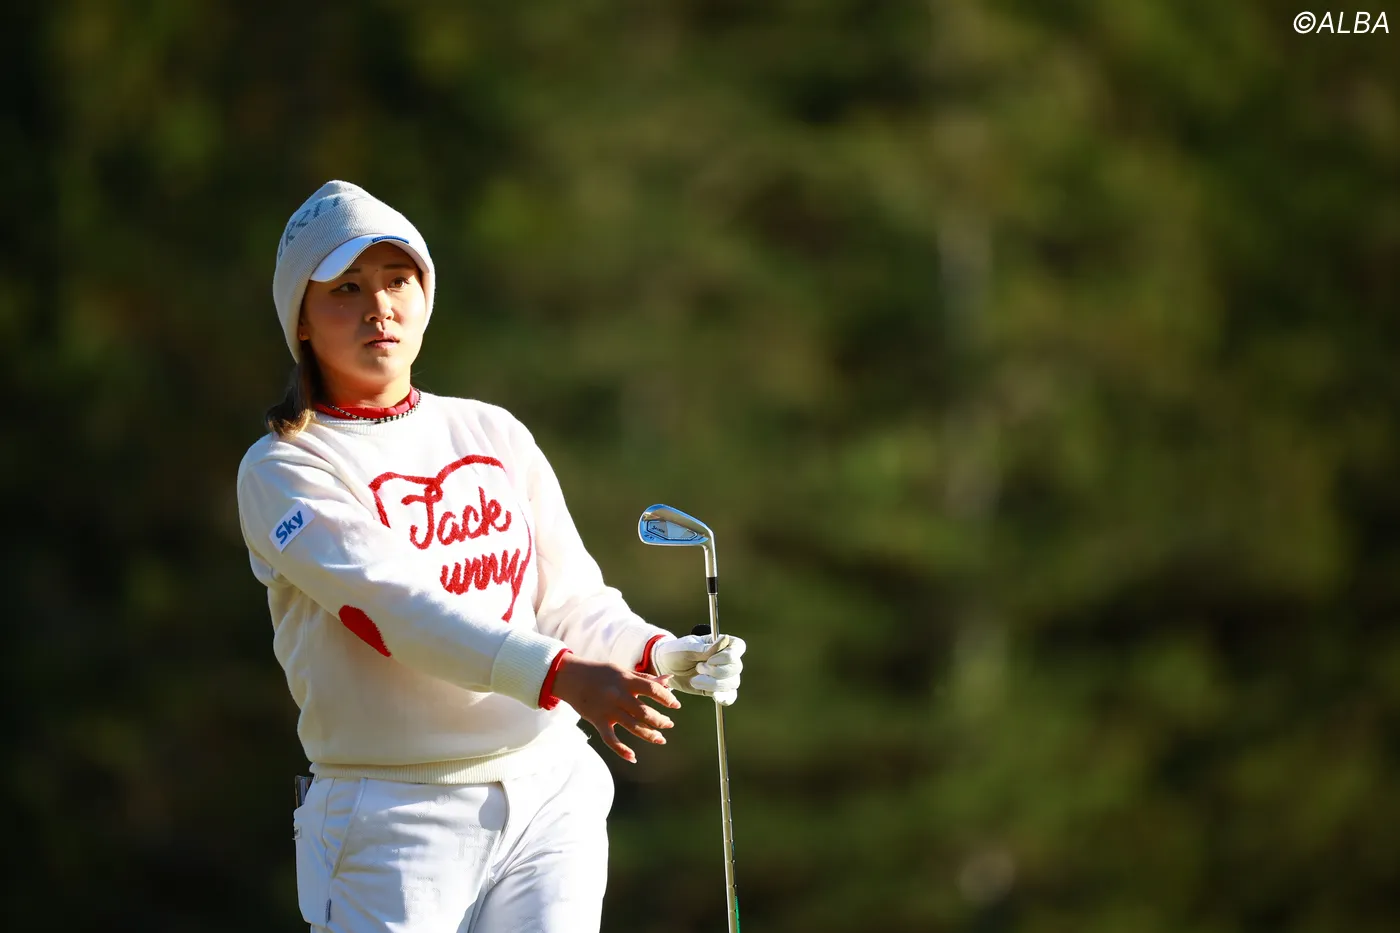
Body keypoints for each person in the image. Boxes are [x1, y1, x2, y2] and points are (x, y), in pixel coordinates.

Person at [236, 180, 747, 933]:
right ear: (302, 320)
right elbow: (395, 611)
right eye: (346, 288)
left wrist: (659, 652)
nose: (379, 307)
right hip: (392, 817)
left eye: (397, 280)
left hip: (549, 792)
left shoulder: (491, 431)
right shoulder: (284, 468)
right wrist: (562, 675)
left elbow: (569, 600)